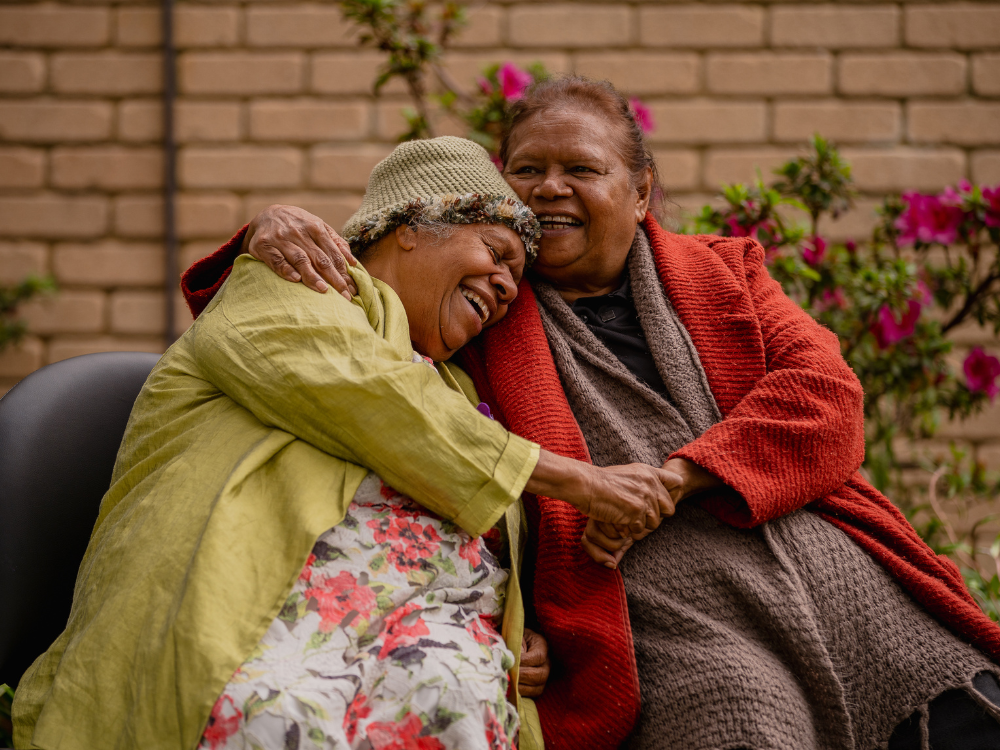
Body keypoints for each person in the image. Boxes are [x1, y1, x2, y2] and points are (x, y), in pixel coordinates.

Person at [180, 78, 1000, 750]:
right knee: (735, 722)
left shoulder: (724, 271)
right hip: (665, 616)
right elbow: (360, 311)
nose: (549, 190)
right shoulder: (484, 303)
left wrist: (675, 481)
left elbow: (826, 400)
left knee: (962, 706)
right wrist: (272, 231)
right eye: (526, 172)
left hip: (830, 568)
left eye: (581, 168)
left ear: (641, 190)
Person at [12, 136, 680, 750]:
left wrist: (513, 629)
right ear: (412, 227)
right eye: (497, 254)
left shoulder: (452, 385)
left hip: (410, 648)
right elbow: (373, 398)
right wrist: (581, 480)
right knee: (276, 713)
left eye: (515, 278)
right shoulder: (288, 287)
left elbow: (485, 525)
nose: (508, 287)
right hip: (262, 624)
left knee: (454, 706)